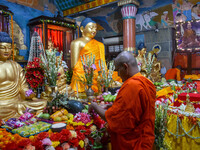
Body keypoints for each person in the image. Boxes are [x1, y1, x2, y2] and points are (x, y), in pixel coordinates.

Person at [89, 51, 156, 150]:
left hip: (133, 143)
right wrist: (113, 107)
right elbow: (136, 110)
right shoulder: (146, 82)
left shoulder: (132, 86)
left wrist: (94, 105)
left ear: (125, 67)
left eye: (117, 71)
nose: (118, 75)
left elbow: (114, 118)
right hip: (146, 137)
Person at [0, 32, 46, 120]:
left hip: (17, 102)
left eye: (9, 48)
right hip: (2, 104)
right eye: (3, 48)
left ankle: (23, 114)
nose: (6, 51)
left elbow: (23, 86)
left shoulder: (16, 66)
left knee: (42, 103)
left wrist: (28, 93)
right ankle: (24, 115)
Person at [70, 18, 121, 93]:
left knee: (116, 76)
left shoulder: (99, 44)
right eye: (91, 28)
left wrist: (104, 73)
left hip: (98, 73)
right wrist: (89, 71)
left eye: (95, 28)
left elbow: (103, 64)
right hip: (84, 72)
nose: (94, 30)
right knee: (80, 77)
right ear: (82, 29)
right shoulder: (77, 43)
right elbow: (74, 66)